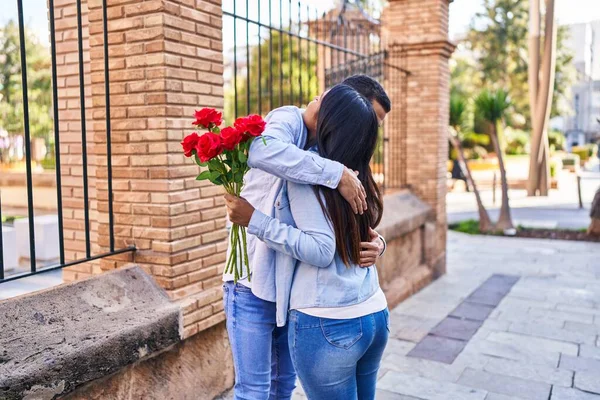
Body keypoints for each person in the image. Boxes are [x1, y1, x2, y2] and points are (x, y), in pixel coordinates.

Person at [222, 75, 391, 400]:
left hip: (291, 289)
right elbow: (260, 151)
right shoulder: (288, 120)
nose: (367, 130)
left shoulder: (329, 152)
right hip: (251, 283)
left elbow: (338, 226)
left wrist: (377, 242)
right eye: (367, 118)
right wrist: (335, 174)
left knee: (283, 387)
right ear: (338, 103)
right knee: (255, 392)